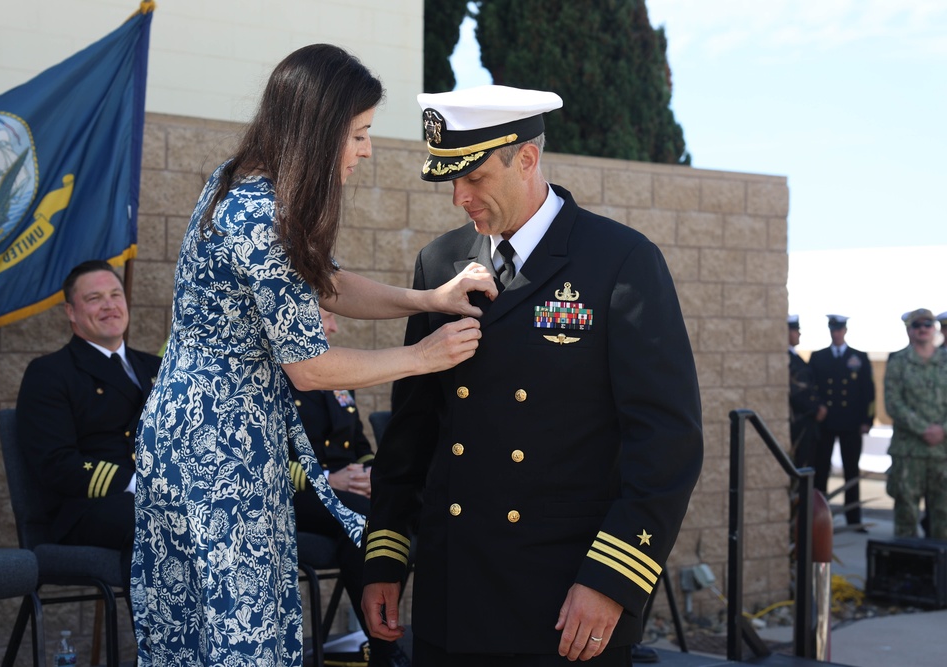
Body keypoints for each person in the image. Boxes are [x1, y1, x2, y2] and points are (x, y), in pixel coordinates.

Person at [130, 44, 496, 667]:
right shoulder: (258, 214)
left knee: (198, 635)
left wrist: (427, 297)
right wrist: (423, 357)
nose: (366, 150)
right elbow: (311, 368)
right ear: (319, 128)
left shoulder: (242, 184)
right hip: (218, 454)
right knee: (242, 639)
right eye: (359, 133)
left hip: (201, 441)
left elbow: (326, 280)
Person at [361, 85, 704, 666]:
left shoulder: (618, 260)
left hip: (564, 603)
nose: (458, 198)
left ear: (525, 157)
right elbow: (412, 432)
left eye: (473, 178)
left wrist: (612, 581)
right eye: (451, 180)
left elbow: (667, 441)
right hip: (454, 595)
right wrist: (386, 559)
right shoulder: (439, 263)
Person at [16, 259, 161, 587]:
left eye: (116, 295)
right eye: (95, 298)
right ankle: (169, 637)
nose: (109, 305)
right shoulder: (50, 373)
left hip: (155, 499)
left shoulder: (158, 368)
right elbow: (56, 463)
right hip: (87, 510)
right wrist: (137, 484)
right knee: (160, 520)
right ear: (71, 311)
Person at [288, 306, 409, 667]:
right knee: (361, 516)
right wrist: (326, 479)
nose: (334, 327)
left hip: (346, 493)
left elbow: (359, 446)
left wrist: (374, 478)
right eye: (327, 317)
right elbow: (263, 458)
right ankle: (385, 651)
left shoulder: (337, 374)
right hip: (295, 495)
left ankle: (388, 635)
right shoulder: (275, 375)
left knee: (395, 509)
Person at [883, 308, 947, 540]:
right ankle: (907, 571)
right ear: (909, 330)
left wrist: (942, 430)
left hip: (942, 453)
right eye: (917, 325)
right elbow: (893, 403)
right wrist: (924, 429)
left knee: (943, 517)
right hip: (909, 453)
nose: (922, 329)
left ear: (934, 329)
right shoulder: (898, 362)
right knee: (906, 516)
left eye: (927, 324)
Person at [808, 314, 875, 532]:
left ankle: (853, 519)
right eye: (833, 329)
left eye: (839, 329)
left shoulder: (859, 357)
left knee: (851, 471)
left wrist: (867, 420)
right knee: (821, 471)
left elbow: (868, 392)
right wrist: (817, 407)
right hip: (826, 423)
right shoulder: (819, 357)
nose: (836, 333)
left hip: (851, 423)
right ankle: (818, 518)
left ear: (845, 331)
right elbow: (811, 388)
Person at [788, 315, 825, 468]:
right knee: (801, 465)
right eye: (796, 330)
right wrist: (816, 409)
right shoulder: (787, 358)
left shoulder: (795, 357)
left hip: (807, 422)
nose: (799, 334)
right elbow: (796, 392)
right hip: (799, 422)